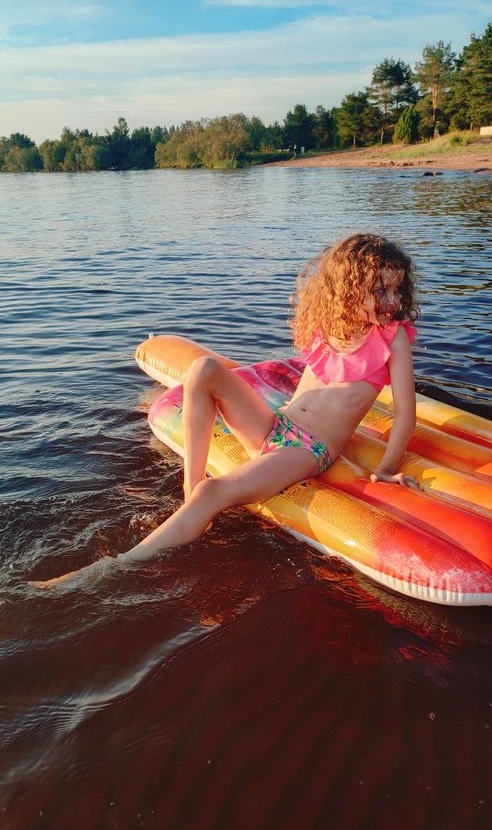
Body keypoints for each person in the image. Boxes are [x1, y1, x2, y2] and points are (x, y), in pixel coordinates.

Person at [31, 233, 420, 588]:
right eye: (379, 289)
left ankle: (114, 568)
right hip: (276, 425)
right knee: (203, 370)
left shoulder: (394, 338)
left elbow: (404, 411)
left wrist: (386, 469)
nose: (392, 301)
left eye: (396, 289)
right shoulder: (332, 325)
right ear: (348, 290)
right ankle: (190, 491)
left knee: (216, 492)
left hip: (307, 452)